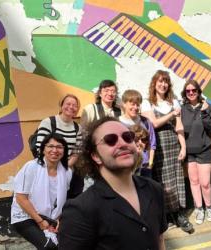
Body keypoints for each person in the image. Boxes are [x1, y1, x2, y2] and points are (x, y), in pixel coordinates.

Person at [58, 117, 167, 250]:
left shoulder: (154, 189)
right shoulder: (80, 210)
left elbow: (160, 239)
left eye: (128, 137)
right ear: (96, 156)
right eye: (110, 140)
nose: (122, 143)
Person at [141, 70, 193, 233]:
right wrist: (172, 114)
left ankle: (179, 214)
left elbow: (179, 127)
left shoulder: (174, 102)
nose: (163, 84)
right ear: (154, 84)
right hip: (158, 146)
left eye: (165, 82)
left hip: (173, 143)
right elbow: (154, 124)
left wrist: (183, 147)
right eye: (160, 81)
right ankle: (167, 214)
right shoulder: (147, 103)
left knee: (177, 179)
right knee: (164, 181)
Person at [11, 133, 72, 250]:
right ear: (43, 149)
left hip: (50, 217)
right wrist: (40, 221)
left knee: (71, 242)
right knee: (49, 247)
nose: (55, 150)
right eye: (50, 146)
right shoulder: (31, 167)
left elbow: (59, 201)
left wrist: (58, 220)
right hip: (25, 216)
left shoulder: (67, 172)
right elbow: (21, 198)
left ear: (64, 151)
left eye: (59, 147)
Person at [180, 80, 211, 224]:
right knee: (194, 181)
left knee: (205, 183)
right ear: (185, 93)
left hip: (204, 150)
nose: (191, 93)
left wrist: (204, 111)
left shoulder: (207, 107)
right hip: (189, 152)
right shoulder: (182, 109)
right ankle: (199, 208)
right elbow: (179, 129)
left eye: (193, 90)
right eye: (188, 91)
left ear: (198, 91)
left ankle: (209, 208)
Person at [35, 94, 83, 199]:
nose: (71, 107)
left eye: (75, 105)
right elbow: (40, 147)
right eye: (68, 104)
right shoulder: (48, 122)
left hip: (66, 170)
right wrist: (54, 169)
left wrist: (63, 168)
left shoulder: (77, 128)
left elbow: (76, 152)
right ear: (61, 105)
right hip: (46, 170)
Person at [119, 89, 156, 178]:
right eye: (132, 104)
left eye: (138, 104)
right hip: (125, 168)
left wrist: (150, 164)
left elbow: (152, 144)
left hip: (144, 167)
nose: (135, 107)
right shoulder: (117, 123)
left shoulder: (145, 122)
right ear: (124, 104)